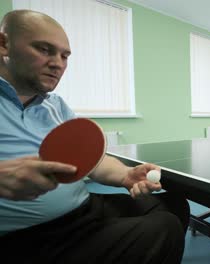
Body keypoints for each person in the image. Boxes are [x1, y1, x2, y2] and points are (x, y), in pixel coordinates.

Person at [0, 10, 190, 264]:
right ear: (4, 45)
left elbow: (94, 162)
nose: (58, 63)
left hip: (84, 209)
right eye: (44, 50)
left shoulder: (56, 105)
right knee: (163, 228)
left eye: (64, 56)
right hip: (29, 238)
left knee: (174, 204)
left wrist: (125, 175)